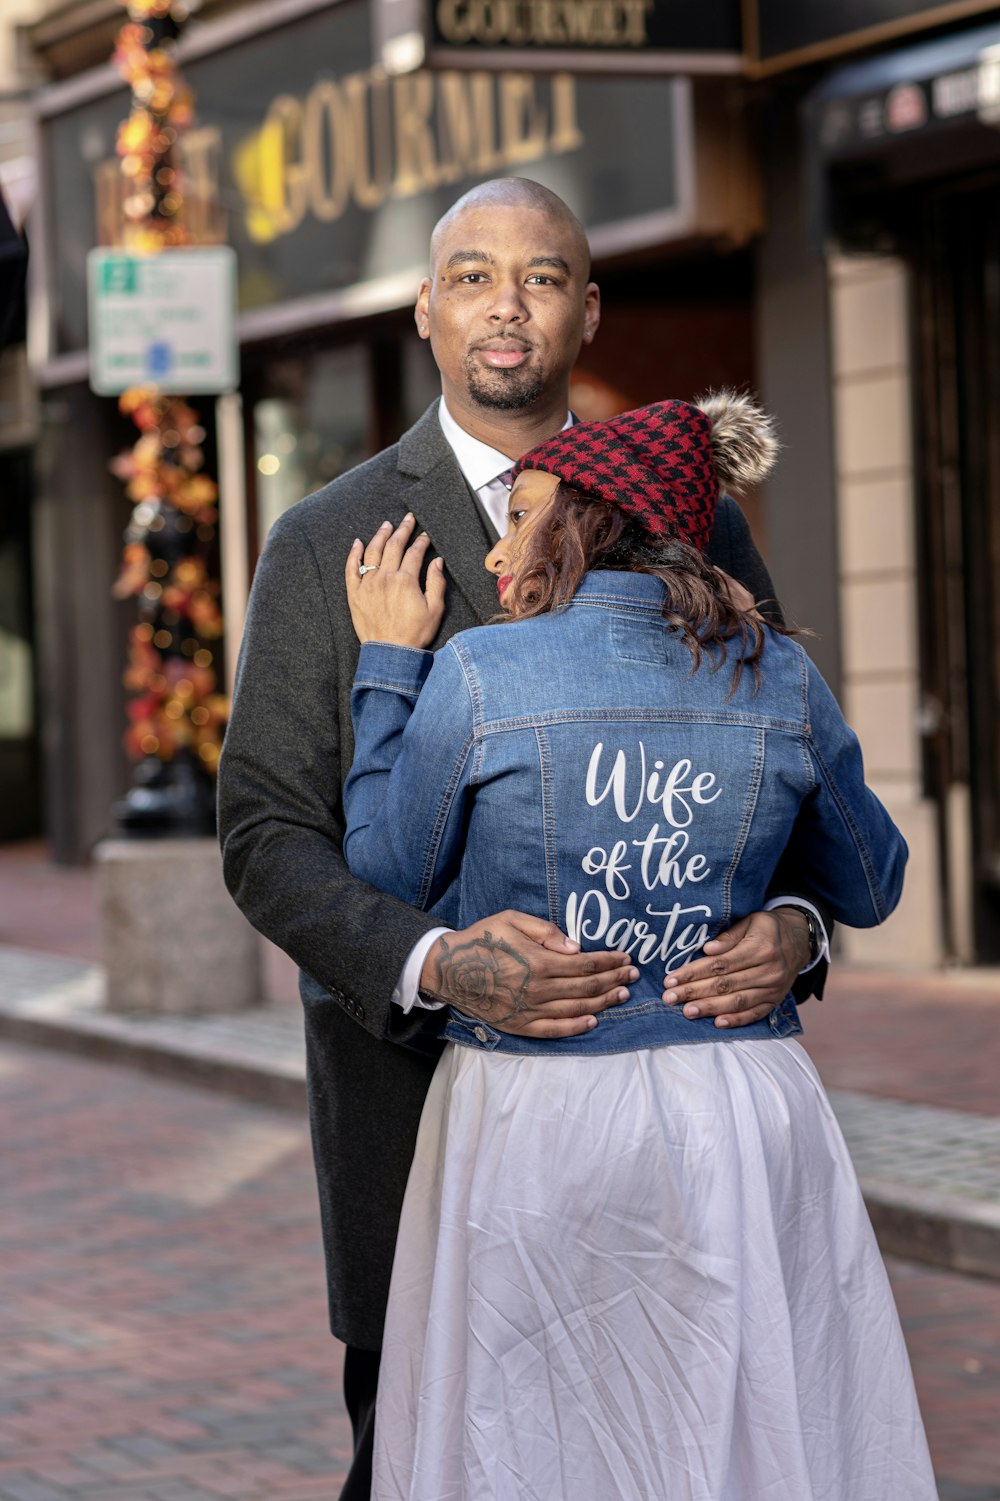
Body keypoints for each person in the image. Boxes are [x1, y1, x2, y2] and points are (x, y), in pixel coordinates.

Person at [217, 177, 830, 1500]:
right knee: (425, 1464)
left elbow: (787, 770)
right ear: (428, 308)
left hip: (671, 1138)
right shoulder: (327, 539)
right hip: (415, 1111)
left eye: (543, 276)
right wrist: (434, 961)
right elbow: (266, 830)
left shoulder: (698, 519)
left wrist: (797, 930)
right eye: (476, 275)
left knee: (683, 1457)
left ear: (589, 309)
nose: (509, 304)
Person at [340, 393, 937, 1501]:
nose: (497, 546)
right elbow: (872, 877)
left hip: (534, 1109)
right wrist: (794, 921)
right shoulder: (779, 675)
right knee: (744, 1414)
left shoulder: (478, 675)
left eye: (520, 516)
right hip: (740, 1101)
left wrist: (387, 662)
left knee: (537, 1429)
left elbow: (382, 872)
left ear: (582, 522)